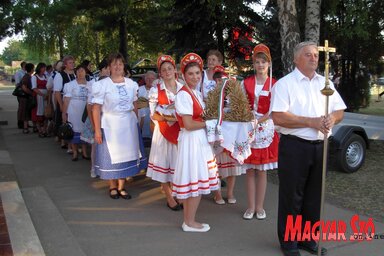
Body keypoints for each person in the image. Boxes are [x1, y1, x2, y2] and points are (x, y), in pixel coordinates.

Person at [271, 41, 346, 256]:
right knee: (292, 196)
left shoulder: (325, 83)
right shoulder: (285, 84)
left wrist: (332, 117)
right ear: (296, 59)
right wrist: (310, 122)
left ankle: (307, 239)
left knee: (314, 196)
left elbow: (340, 110)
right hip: (295, 147)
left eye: (315, 55)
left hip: (320, 147)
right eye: (308, 55)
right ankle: (289, 243)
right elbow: (278, 116)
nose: (314, 58)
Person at [173, 53, 219, 232]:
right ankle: (189, 222)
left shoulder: (196, 93)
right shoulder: (184, 95)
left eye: (197, 73)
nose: (195, 77)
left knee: (197, 181)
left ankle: (190, 220)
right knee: (194, 181)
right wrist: (209, 124)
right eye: (190, 73)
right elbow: (188, 124)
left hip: (198, 139)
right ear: (184, 75)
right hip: (192, 140)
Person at [92, 53, 147, 200]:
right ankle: (112, 186)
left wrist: (136, 124)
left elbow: (135, 105)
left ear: (124, 67)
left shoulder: (131, 84)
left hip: (128, 124)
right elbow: (96, 108)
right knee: (112, 157)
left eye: (120, 64)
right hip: (110, 124)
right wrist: (97, 130)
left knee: (127, 156)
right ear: (109, 67)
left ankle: (122, 187)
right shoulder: (102, 85)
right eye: (114, 64)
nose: (117, 67)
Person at [241, 44, 279, 220]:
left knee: (262, 170)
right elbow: (240, 105)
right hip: (249, 128)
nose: (261, 65)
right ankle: (250, 207)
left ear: (269, 64)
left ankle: (260, 207)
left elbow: (274, 110)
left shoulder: (275, 84)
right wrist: (248, 117)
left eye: (264, 61)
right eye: (257, 62)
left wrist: (259, 121)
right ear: (254, 64)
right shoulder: (246, 83)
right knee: (249, 170)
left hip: (265, 130)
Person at [146, 55, 183, 211]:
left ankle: (175, 192)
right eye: (163, 70)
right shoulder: (156, 90)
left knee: (177, 165)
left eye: (169, 68)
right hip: (163, 132)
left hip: (180, 132)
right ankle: (169, 197)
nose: (167, 72)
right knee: (163, 165)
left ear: (175, 70)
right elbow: (153, 114)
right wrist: (166, 117)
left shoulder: (182, 88)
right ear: (160, 73)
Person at [210, 65, 244, 205]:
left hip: (230, 134)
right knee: (216, 165)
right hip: (217, 135)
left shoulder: (233, 94)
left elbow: (240, 110)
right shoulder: (211, 94)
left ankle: (230, 192)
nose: (220, 81)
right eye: (217, 78)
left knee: (231, 166)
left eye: (222, 78)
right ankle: (217, 193)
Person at [81, 58, 110, 178]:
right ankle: (93, 168)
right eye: (106, 68)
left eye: (110, 68)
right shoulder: (94, 83)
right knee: (95, 145)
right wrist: (93, 124)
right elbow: (89, 106)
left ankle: (105, 167)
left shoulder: (112, 82)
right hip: (96, 116)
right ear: (101, 69)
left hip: (108, 118)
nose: (109, 71)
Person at [62, 65, 90, 161]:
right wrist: (64, 113)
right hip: (73, 111)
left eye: (82, 71)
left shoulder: (90, 84)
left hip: (85, 112)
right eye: (78, 71)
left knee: (84, 131)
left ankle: (84, 152)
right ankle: (75, 152)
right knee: (73, 131)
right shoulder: (70, 85)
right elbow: (66, 100)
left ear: (86, 72)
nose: (80, 73)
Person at [53, 55, 76, 149]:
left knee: (73, 120)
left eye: (73, 62)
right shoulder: (60, 75)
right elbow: (57, 92)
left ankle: (73, 141)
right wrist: (61, 105)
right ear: (65, 64)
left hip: (74, 101)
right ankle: (63, 139)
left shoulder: (75, 74)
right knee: (64, 120)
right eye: (70, 63)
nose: (72, 64)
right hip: (64, 99)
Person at [31, 62, 48, 137]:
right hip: (38, 97)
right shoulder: (34, 77)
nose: (44, 69)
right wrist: (42, 94)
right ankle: (40, 130)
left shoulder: (45, 76)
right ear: (39, 68)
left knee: (46, 113)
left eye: (45, 67)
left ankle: (44, 129)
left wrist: (47, 95)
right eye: (43, 67)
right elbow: (34, 88)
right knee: (38, 114)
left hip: (45, 97)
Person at [138, 70, 156, 139]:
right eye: (148, 78)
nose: (150, 80)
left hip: (154, 120)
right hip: (142, 121)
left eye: (152, 79)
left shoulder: (158, 90)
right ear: (145, 79)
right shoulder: (139, 90)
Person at [18, 63, 35, 134]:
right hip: (25, 98)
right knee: (26, 112)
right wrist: (31, 93)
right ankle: (25, 128)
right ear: (31, 69)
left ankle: (26, 127)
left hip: (25, 97)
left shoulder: (28, 76)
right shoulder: (27, 77)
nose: (34, 69)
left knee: (27, 112)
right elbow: (24, 87)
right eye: (33, 68)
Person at [15, 61, 27, 129]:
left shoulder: (25, 73)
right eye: (25, 65)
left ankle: (25, 122)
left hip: (26, 92)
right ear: (22, 66)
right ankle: (20, 122)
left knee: (25, 107)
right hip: (21, 92)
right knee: (21, 108)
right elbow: (17, 83)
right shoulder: (18, 73)